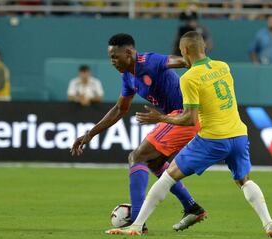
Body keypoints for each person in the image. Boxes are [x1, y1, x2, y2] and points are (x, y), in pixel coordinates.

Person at [107, 31, 272, 237]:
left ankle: (136, 225)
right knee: (245, 181)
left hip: (212, 138)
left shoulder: (189, 78)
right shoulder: (223, 67)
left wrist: (160, 118)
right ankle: (269, 224)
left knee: (166, 177)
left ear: (185, 51)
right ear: (204, 48)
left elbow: (189, 119)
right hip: (239, 134)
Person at [70, 33, 206, 233]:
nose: (112, 62)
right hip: (176, 117)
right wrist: (90, 134)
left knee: (137, 156)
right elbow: (119, 109)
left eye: (115, 57)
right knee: (154, 162)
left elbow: (185, 61)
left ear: (128, 52)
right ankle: (192, 207)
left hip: (187, 115)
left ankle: (136, 222)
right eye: (110, 58)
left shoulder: (150, 61)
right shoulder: (128, 77)